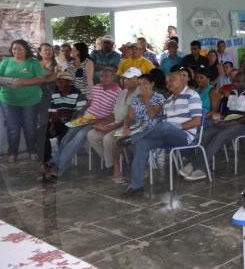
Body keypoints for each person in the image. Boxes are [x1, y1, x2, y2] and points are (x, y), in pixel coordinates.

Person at [121, 68, 204, 196]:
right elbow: (161, 119)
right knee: (142, 143)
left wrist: (176, 127)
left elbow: (197, 121)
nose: (169, 83)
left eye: (172, 80)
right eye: (167, 81)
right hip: (167, 135)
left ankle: (132, 138)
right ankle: (136, 186)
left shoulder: (192, 95)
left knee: (165, 126)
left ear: (183, 81)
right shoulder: (169, 100)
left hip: (185, 136)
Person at [45, 67, 121, 178]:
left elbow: (113, 115)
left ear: (113, 77)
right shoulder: (96, 88)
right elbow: (89, 102)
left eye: (107, 76)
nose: (103, 78)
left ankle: (59, 167)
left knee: (77, 139)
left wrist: (96, 121)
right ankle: (55, 161)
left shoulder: (117, 92)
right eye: (101, 76)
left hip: (97, 121)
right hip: (86, 117)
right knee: (66, 137)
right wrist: (81, 111)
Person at [0, 40, 45, 162]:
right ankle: (13, 152)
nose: (17, 51)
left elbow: (40, 79)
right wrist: (9, 82)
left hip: (30, 101)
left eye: (20, 49)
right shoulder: (5, 62)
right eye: (14, 48)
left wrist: (22, 82)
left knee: (30, 127)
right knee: (13, 128)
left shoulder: (33, 62)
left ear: (26, 50)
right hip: (8, 100)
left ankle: (32, 150)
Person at [86, 67, 141, 176]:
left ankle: (111, 166)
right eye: (124, 79)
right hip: (116, 122)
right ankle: (113, 161)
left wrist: (111, 127)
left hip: (129, 125)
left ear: (137, 80)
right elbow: (114, 113)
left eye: (129, 79)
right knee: (92, 135)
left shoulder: (139, 93)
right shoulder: (123, 92)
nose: (125, 81)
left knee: (107, 138)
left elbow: (130, 118)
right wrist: (103, 124)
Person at [113, 73, 165, 183]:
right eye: (140, 84)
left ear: (152, 84)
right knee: (118, 140)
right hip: (138, 126)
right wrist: (126, 127)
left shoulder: (159, 97)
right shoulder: (136, 98)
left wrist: (146, 100)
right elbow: (129, 116)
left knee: (133, 141)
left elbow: (152, 115)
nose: (142, 86)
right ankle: (117, 169)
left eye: (145, 84)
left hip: (153, 128)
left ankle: (142, 167)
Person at [200, 72, 245, 165]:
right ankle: (195, 161)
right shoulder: (232, 93)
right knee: (205, 134)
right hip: (229, 122)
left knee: (220, 136)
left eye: (238, 82)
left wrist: (228, 124)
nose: (234, 84)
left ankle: (200, 165)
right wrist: (220, 117)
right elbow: (229, 113)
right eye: (233, 81)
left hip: (244, 125)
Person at [43, 71, 86, 170]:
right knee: (42, 132)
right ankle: (47, 160)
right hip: (56, 122)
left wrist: (65, 114)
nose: (59, 84)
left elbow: (79, 114)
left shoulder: (78, 94)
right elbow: (51, 110)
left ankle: (61, 163)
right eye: (58, 81)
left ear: (70, 83)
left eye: (62, 82)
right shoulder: (55, 93)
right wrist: (52, 123)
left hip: (71, 123)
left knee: (64, 135)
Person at [37, 43, 57, 162]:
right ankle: (45, 154)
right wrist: (52, 75)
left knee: (53, 125)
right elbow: (38, 79)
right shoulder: (35, 65)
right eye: (45, 50)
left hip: (54, 99)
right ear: (40, 52)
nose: (48, 52)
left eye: (50, 50)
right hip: (38, 100)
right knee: (43, 126)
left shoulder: (57, 65)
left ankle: (52, 151)